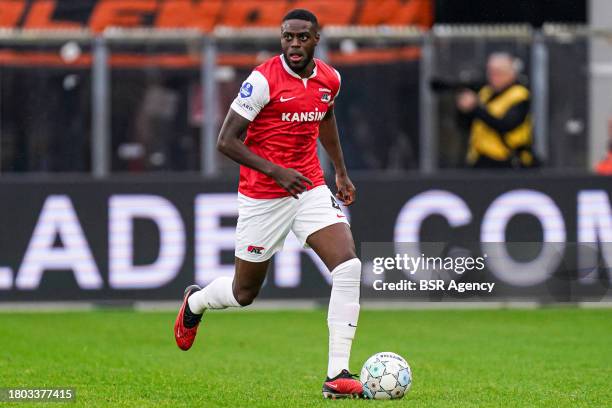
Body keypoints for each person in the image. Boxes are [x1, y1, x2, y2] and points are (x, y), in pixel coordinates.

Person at [173, 9, 363, 399]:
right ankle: (196, 301)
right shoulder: (262, 81)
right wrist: (276, 171)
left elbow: (325, 118)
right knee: (245, 293)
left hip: (309, 186)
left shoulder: (331, 78)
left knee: (348, 266)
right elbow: (226, 140)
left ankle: (337, 374)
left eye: (302, 38)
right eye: (288, 37)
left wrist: (340, 172)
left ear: (316, 39)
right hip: (264, 195)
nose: (294, 44)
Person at [456, 52, 537, 168]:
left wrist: (475, 108)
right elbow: (466, 125)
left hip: (508, 162)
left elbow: (506, 124)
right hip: (480, 160)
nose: (493, 77)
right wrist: (464, 109)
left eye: (498, 72)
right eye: (490, 72)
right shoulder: (485, 93)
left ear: (511, 73)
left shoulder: (519, 94)